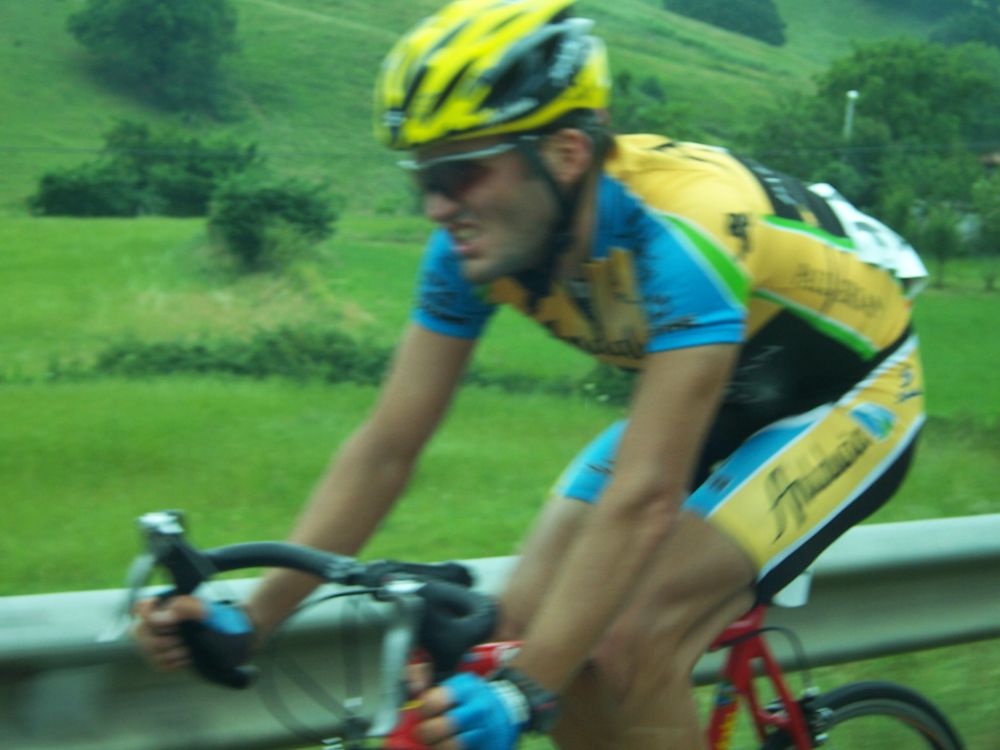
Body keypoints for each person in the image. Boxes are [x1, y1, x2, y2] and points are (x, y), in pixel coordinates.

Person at [133, 1, 928, 748]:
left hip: (850, 393)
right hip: (721, 393)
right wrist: (253, 620)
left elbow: (645, 496)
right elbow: (386, 448)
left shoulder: (682, 233)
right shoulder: (466, 253)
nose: (436, 207)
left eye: (460, 174)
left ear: (566, 154)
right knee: (517, 634)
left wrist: (523, 693)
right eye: (423, 179)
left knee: (621, 644)